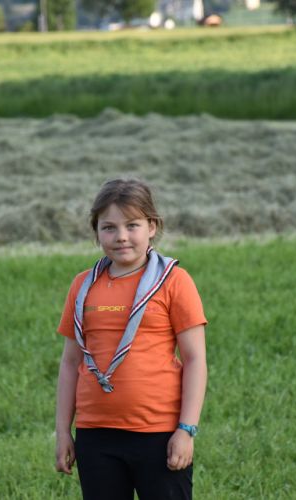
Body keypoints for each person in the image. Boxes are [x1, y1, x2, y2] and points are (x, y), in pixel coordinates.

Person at [55, 178, 208, 500]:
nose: (121, 236)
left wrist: (186, 429)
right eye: (109, 227)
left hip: (158, 432)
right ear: (96, 232)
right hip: (95, 434)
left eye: (132, 225)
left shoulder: (173, 281)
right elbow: (70, 363)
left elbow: (195, 359)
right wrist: (63, 432)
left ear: (152, 227)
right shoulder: (83, 286)